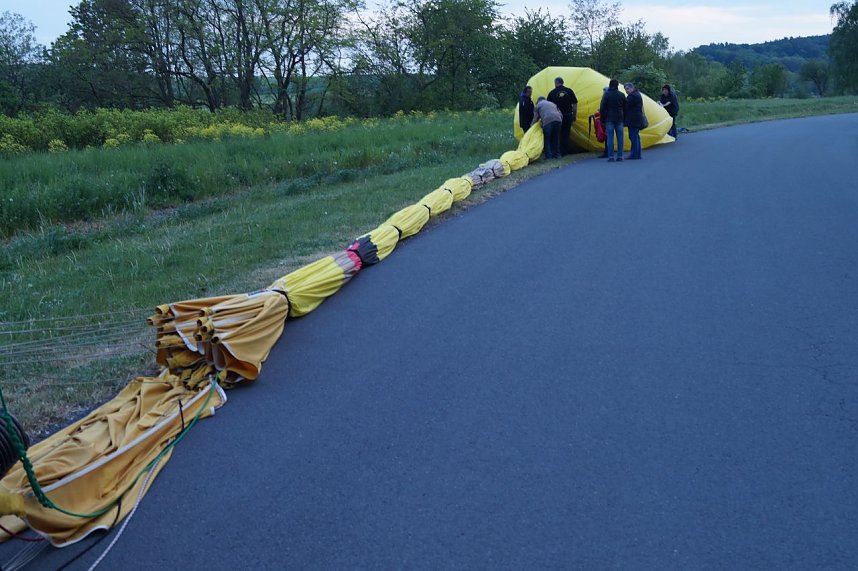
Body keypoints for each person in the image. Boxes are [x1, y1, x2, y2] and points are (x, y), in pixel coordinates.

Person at [547, 77, 578, 155]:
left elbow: (548, 106)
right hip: (567, 115)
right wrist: (574, 115)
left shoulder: (552, 93)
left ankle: (556, 152)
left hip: (556, 117)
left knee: (556, 134)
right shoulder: (569, 91)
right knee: (566, 133)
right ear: (562, 82)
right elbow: (574, 104)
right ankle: (564, 151)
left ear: (556, 83)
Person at [599, 78, 626, 162]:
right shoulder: (621, 95)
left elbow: (602, 108)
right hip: (619, 118)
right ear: (617, 85)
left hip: (609, 118)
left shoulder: (606, 95)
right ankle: (620, 156)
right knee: (620, 138)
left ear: (610, 85)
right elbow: (625, 107)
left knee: (610, 137)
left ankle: (611, 156)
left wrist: (602, 119)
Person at [623, 82, 644, 160]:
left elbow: (626, 106)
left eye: (627, 89)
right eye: (625, 89)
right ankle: (637, 154)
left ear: (632, 88)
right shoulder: (637, 94)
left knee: (633, 136)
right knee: (636, 136)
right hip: (637, 118)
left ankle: (634, 154)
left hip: (633, 119)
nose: (626, 91)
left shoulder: (632, 96)